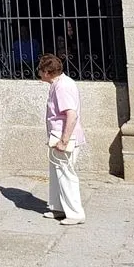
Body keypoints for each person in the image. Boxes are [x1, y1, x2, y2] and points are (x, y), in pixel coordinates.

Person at [37, 53, 86, 226]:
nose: (39, 73)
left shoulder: (62, 87)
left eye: (41, 70)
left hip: (64, 136)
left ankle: (75, 212)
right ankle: (58, 207)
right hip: (57, 135)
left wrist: (64, 140)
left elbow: (71, 115)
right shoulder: (58, 84)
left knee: (66, 173)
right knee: (56, 172)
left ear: (48, 72)